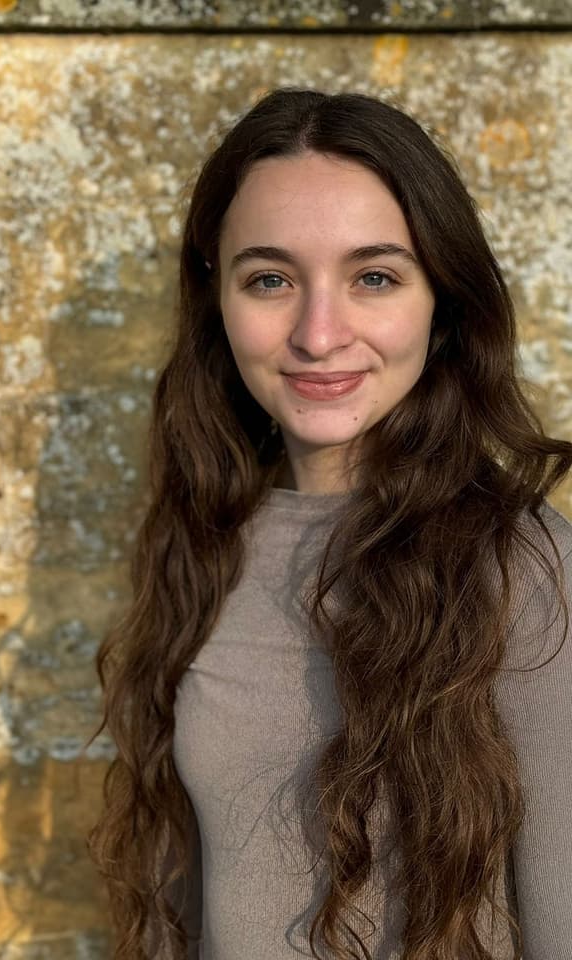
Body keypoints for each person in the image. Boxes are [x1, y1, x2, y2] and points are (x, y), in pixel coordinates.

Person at [88, 88, 572, 960]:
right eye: (270, 279)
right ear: (218, 300)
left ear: (444, 301)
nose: (318, 334)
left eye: (374, 277)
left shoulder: (528, 570)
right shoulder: (205, 542)